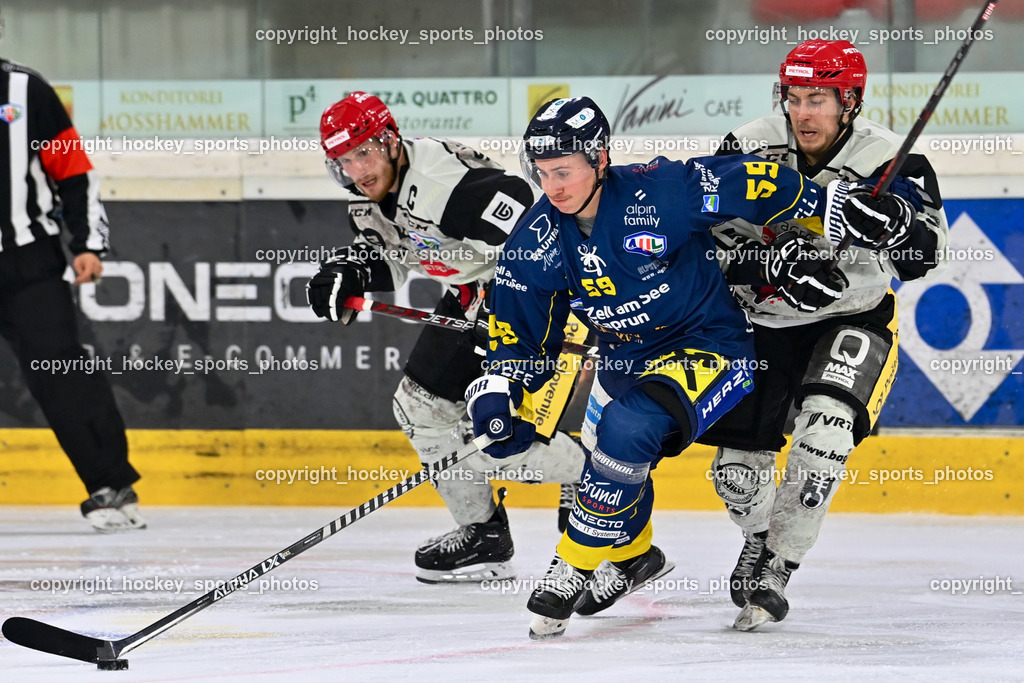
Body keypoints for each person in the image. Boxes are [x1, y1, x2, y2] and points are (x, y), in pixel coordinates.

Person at [464, 96, 901, 640]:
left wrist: (829, 202)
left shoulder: (661, 191)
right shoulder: (536, 240)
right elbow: (519, 335)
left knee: (629, 430)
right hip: (626, 358)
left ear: (599, 159)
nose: (553, 186)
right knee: (609, 455)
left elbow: (754, 181)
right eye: (544, 172)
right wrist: (500, 391)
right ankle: (633, 557)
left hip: (710, 347)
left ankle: (572, 561)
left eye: (565, 170)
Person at [698, 40, 949, 631]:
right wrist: (769, 267)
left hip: (850, 317)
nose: (803, 112)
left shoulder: (890, 158)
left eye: (818, 98)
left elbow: (923, 258)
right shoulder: (748, 146)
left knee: (825, 439)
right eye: (794, 97)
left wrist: (897, 226)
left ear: (850, 102)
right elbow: (701, 246)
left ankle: (779, 565)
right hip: (757, 322)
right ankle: (758, 535)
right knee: (736, 475)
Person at [306, 92, 586, 584]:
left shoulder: (444, 183)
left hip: (525, 296)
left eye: (365, 152)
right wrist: (350, 271)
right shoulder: (367, 193)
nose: (357, 169)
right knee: (420, 410)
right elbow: (393, 252)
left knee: (492, 425)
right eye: (345, 160)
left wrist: (514, 311)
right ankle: (483, 534)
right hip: (470, 292)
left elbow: (536, 232)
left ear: (391, 142)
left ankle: (594, 475)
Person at [0, 57, 144, 532]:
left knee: (62, 373)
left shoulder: (26, 91)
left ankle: (111, 486)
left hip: (29, 264)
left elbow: (73, 171)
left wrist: (87, 244)